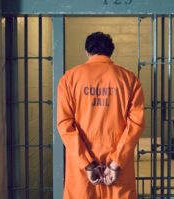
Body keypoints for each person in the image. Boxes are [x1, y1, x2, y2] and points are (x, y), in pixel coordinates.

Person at [57, 32, 145, 199]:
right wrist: (115, 164)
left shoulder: (69, 79)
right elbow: (136, 124)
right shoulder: (129, 80)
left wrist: (88, 165)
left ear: (87, 52)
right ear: (110, 52)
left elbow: (64, 125)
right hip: (118, 168)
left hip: (81, 167)